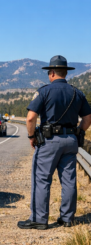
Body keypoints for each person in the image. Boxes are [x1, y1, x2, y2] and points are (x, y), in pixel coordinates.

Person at [18, 55, 91, 230]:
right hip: (71, 140)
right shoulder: (77, 93)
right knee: (68, 181)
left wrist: (31, 137)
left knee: (42, 179)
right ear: (65, 73)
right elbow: (88, 118)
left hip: (49, 141)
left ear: (51, 73)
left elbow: (30, 118)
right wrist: (79, 132)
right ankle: (67, 218)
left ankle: (39, 219)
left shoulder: (44, 92)